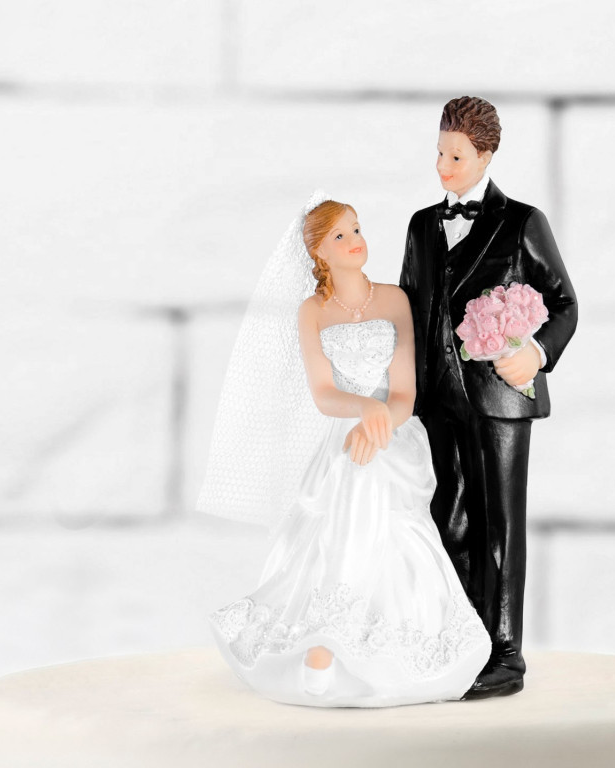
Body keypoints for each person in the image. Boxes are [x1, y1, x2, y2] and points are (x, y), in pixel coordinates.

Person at [200, 194, 491, 707]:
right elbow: (323, 393)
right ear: (319, 253)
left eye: (356, 229)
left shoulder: (394, 300)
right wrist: (362, 410)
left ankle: (378, 642)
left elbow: (404, 393)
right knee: (348, 486)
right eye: (340, 235)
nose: (355, 241)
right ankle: (325, 635)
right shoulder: (312, 312)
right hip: (344, 431)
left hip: (393, 434)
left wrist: (380, 421)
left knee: (383, 500)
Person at [400, 96, 578, 699]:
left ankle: (504, 654)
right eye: (439, 153)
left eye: (456, 156)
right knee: (445, 519)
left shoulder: (523, 222)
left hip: (499, 395)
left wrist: (537, 352)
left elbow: (564, 302)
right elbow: (409, 306)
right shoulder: (422, 226)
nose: (442, 166)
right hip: (436, 400)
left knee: (499, 525)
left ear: (486, 155)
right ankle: (459, 640)